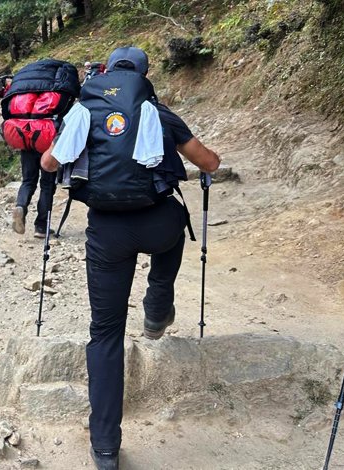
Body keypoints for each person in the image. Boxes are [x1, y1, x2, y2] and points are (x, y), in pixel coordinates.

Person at [40, 46, 220, 470]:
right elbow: (209, 161)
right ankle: (158, 305)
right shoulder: (158, 112)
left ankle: (105, 448)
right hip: (157, 223)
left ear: (104, 72)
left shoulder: (83, 110)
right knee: (175, 228)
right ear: (145, 74)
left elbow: (50, 163)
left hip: (106, 233)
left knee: (105, 335)